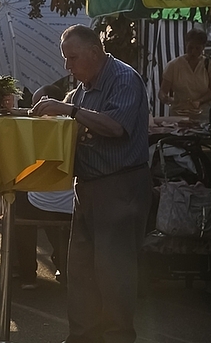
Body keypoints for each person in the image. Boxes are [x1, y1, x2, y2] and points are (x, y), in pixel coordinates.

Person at [31, 24, 151, 343]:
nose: (67, 66)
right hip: (88, 186)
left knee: (114, 273)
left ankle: (117, 337)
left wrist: (69, 110)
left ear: (95, 53)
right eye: (65, 58)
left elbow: (114, 127)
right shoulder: (84, 87)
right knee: (81, 271)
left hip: (120, 186)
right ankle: (82, 335)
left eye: (72, 58)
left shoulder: (123, 79)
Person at [14, 84, 74, 290]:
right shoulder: (73, 126)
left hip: (43, 201)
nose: (32, 110)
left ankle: (25, 273)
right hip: (70, 203)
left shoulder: (38, 130)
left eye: (35, 105)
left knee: (17, 198)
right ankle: (64, 265)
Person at [158, 28, 211, 119]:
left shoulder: (208, 64)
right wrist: (165, 98)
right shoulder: (173, 65)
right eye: (190, 47)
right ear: (185, 44)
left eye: (197, 48)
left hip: (203, 116)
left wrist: (200, 101)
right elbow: (162, 91)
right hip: (179, 115)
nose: (193, 51)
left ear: (203, 47)